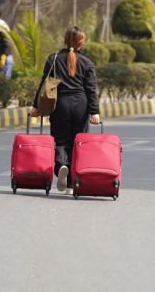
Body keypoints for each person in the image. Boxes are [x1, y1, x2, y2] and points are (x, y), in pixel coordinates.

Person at [31, 26, 100, 193]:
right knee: (78, 143)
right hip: (81, 105)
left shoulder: (53, 59)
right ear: (81, 43)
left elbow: (44, 83)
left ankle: (61, 165)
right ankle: (71, 183)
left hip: (60, 105)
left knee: (61, 140)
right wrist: (94, 112)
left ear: (64, 40)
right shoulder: (87, 62)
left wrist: (36, 106)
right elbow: (91, 89)